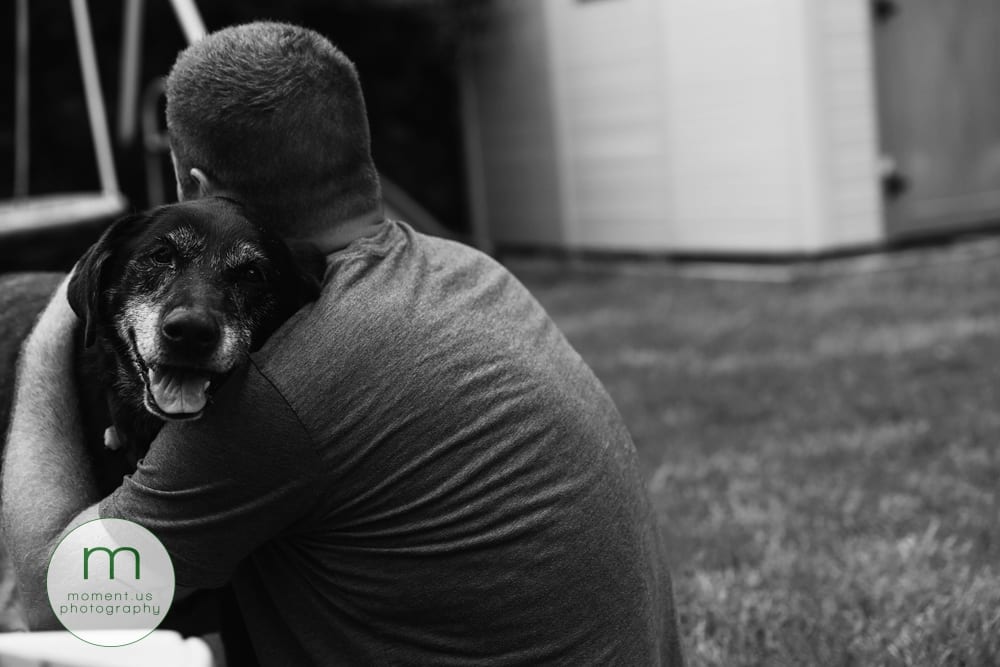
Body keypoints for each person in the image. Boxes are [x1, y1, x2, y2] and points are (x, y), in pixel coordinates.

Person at [2, 22, 685, 665]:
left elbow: (58, 603)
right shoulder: (472, 273)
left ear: (194, 187)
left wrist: (57, 320)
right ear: (358, 157)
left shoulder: (283, 391)